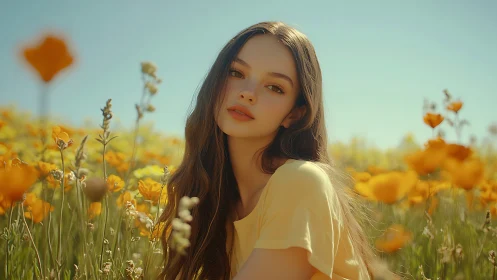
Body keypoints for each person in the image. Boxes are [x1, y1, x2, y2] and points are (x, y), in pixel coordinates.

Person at [159, 21, 382, 280]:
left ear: (295, 114)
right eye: (236, 73)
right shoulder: (216, 202)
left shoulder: (300, 181)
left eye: (275, 87)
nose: (248, 93)